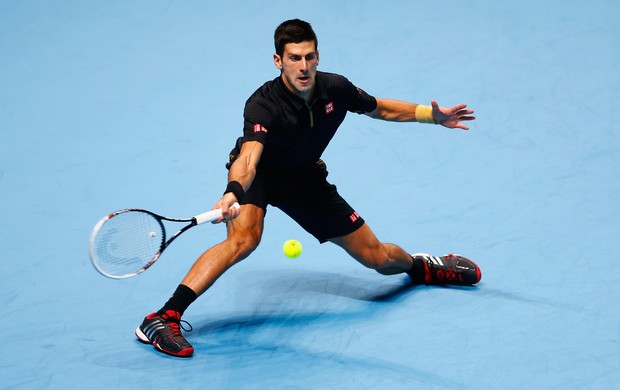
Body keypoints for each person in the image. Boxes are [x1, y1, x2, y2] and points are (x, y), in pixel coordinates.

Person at [135, 19, 481, 358]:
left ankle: (420, 267)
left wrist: (430, 115)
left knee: (377, 257)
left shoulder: (335, 88)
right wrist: (233, 193)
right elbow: (249, 158)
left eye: (309, 57)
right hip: (261, 177)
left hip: (304, 180)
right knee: (243, 240)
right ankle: (163, 317)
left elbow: (382, 109)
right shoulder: (263, 104)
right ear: (278, 61)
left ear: (317, 57)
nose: (304, 66)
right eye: (294, 58)